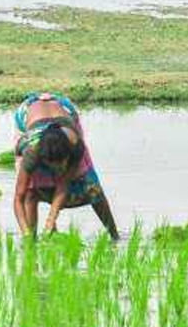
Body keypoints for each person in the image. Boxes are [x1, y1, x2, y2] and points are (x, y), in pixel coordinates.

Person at [13, 92, 119, 241]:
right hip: (29, 113)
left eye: (61, 163)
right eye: (52, 165)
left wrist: (51, 220)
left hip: (64, 110)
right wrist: (25, 233)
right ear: (43, 158)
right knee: (31, 191)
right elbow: (19, 197)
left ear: (67, 154)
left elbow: (63, 184)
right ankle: (31, 240)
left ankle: (115, 236)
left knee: (92, 188)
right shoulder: (31, 152)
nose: (57, 170)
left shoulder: (75, 144)